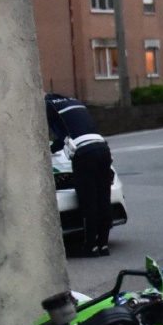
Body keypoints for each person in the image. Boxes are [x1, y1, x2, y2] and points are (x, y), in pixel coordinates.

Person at [45, 92, 113, 256]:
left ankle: (91, 246)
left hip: (84, 153)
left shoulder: (47, 106)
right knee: (103, 198)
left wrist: (48, 150)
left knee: (88, 200)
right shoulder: (74, 101)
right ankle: (103, 244)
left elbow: (62, 138)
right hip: (102, 148)